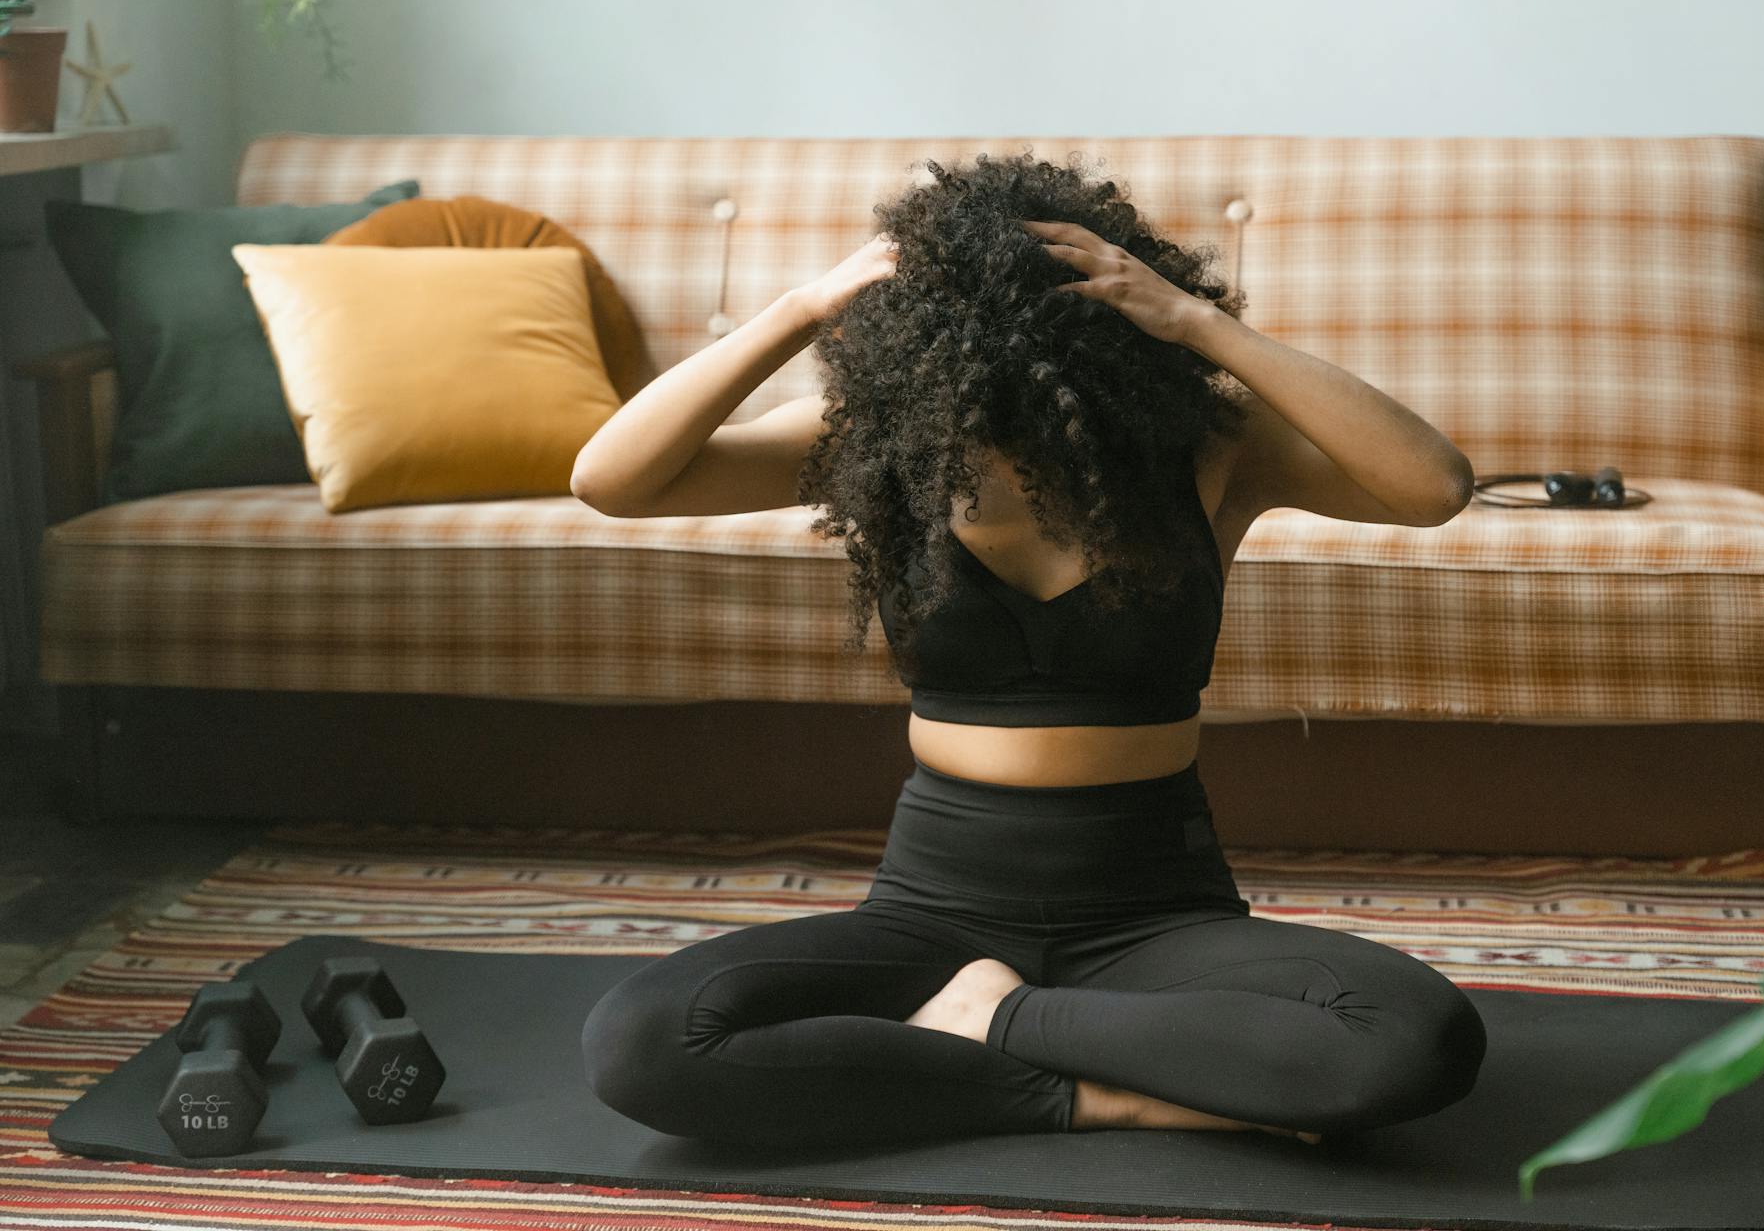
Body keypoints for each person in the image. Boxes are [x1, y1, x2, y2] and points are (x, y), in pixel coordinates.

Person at [570, 151, 1486, 1150]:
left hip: (1157, 916)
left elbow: (1432, 484)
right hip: (933, 911)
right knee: (644, 1041)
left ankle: (994, 1025)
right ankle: (1105, 1094)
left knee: (1415, 1039)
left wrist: (1202, 323)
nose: (1013, 421)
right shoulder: (882, 448)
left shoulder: (1213, 450)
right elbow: (610, 478)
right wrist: (799, 307)